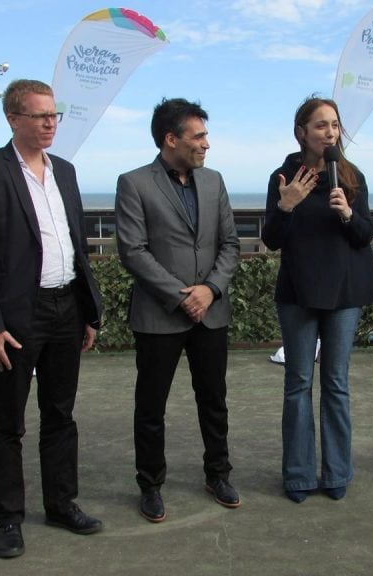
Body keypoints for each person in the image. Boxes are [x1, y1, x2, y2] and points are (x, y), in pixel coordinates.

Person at [0, 79, 104, 558]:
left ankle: (62, 504)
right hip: (16, 317)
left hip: (66, 307)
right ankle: (9, 519)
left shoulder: (65, 170)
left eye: (54, 115)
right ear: (13, 119)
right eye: (40, 115)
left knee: (60, 415)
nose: (50, 123)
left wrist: (88, 309)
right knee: (8, 421)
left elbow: (76, 245)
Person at [115, 97, 241, 523]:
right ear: (171, 139)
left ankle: (218, 474)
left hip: (211, 313)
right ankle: (150, 484)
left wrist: (209, 290)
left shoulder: (214, 181)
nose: (207, 143)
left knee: (214, 401)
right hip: (158, 316)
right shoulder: (134, 183)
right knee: (151, 406)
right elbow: (132, 251)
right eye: (199, 135)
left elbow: (230, 245)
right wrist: (181, 295)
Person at [261, 96, 373, 503]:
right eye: (321, 125)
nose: (330, 132)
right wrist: (285, 205)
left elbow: (365, 234)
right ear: (302, 132)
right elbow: (271, 240)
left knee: (336, 383)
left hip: (344, 291)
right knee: (298, 383)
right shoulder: (283, 176)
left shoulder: (350, 177)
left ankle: (337, 472)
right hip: (298, 291)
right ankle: (298, 476)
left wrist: (348, 213)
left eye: (334, 125)